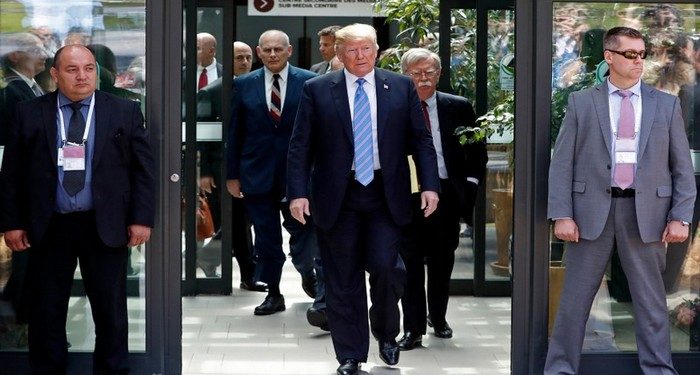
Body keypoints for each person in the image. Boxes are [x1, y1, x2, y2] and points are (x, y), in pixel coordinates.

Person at [287, 24, 440, 375]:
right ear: (339, 54)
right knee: (343, 279)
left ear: (377, 50)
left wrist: (430, 185)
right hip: (337, 196)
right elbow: (300, 147)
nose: (360, 56)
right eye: (352, 50)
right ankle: (350, 355)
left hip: (386, 194)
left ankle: (386, 333)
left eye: (366, 49)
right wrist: (297, 193)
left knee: (387, 269)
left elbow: (421, 140)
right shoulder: (318, 89)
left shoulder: (400, 86)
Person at [545, 27, 695, 375]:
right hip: (590, 214)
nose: (638, 60)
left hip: (648, 215)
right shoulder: (582, 102)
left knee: (651, 302)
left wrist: (680, 216)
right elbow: (562, 162)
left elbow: (682, 169)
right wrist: (562, 214)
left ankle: (658, 369)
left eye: (642, 54)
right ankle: (559, 369)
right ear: (609, 57)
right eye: (630, 54)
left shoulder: (666, 104)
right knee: (574, 302)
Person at [0, 44, 155, 374]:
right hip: (48, 226)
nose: (82, 75)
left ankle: (112, 371)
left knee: (110, 312)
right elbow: (11, 174)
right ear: (55, 75)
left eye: (88, 68)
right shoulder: (28, 112)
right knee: (46, 310)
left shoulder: (123, 111)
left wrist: (141, 219)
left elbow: (142, 170)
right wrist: (12, 223)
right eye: (72, 69)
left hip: (104, 224)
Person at [396, 48, 487, 350]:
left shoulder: (458, 106)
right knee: (409, 263)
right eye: (416, 73)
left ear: (439, 74)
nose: (424, 78)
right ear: (404, 74)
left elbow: (477, 152)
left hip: (448, 194)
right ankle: (413, 328)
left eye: (429, 72)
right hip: (408, 195)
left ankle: (439, 317)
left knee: (441, 260)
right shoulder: (395, 107)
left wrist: (469, 188)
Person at [225, 30, 320, 315]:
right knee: (266, 238)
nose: (273, 55)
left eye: (279, 49)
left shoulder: (310, 82)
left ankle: (307, 272)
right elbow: (235, 132)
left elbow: (318, 133)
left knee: (305, 235)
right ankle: (274, 292)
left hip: (299, 176)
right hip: (257, 173)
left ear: (289, 50)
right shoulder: (243, 84)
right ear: (258, 51)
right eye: (267, 50)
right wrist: (232, 175)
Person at [196, 41, 265, 290]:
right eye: (239, 58)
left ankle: (207, 257)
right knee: (238, 221)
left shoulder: (260, 85)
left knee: (242, 221)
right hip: (222, 169)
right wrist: (204, 172)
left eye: (248, 57)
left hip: (255, 165)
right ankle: (249, 274)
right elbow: (203, 135)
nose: (245, 62)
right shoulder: (212, 91)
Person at [1, 32, 49, 145]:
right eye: (36, 51)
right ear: (14, 55)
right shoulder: (8, 90)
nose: (44, 55)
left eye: (43, 50)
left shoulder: (34, 86)